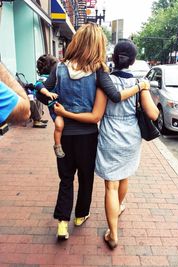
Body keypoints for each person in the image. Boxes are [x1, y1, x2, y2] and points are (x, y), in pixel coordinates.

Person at [38, 23, 149, 240]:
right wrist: (139, 87)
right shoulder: (98, 70)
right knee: (86, 178)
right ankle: (80, 215)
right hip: (88, 135)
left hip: (63, 137)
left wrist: (57, 113)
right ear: (96, 45)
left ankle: (62, 223)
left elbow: (43, 94)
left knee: (66, 178)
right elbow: (115, 96)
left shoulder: (59, 68)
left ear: (77, 42)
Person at [35, 54, 64, 157]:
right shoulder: (44, 78)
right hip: (54, 107)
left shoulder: (57, 76)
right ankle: (57, 145)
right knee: (59, 125)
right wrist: (47, 93)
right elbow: (37, 85)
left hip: (61, 105)